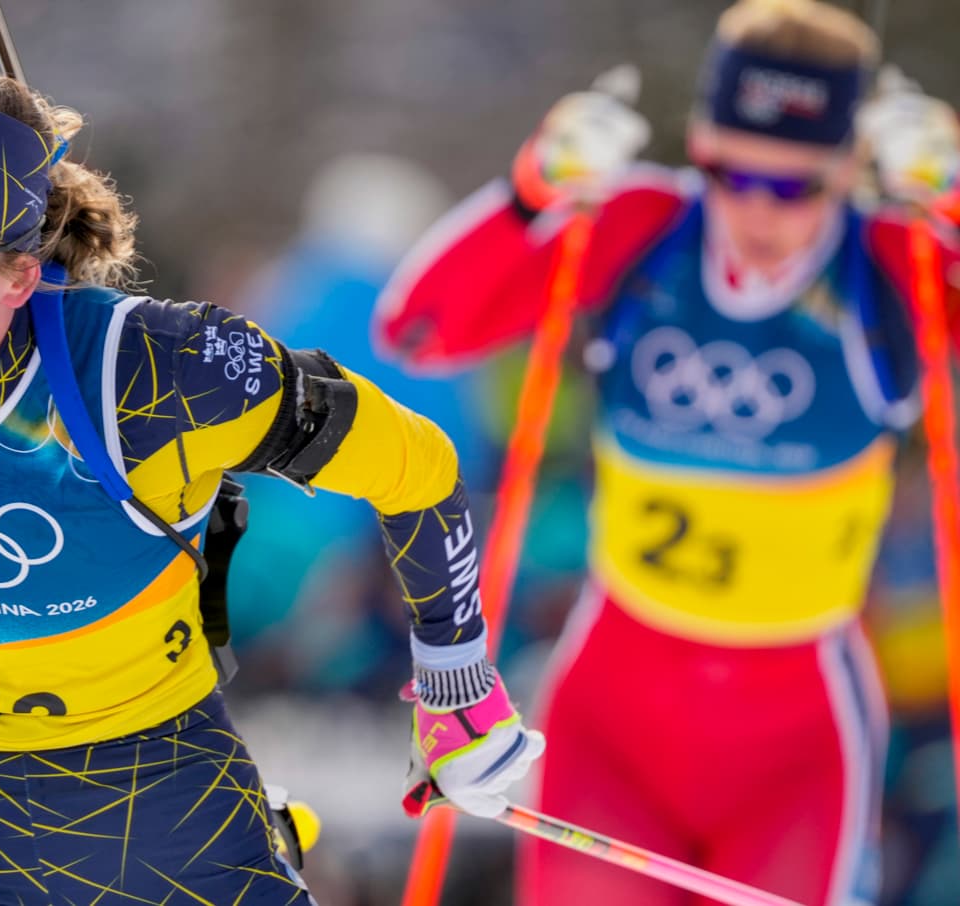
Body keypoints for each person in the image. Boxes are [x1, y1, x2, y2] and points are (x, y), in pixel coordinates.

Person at [0, 58, 544, 904]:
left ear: (21, 274)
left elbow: (417, 463)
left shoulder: (156, 374)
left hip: (161, 819)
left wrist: (456, 687)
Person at [375, 1, 960, 904]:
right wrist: (535, 187)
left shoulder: (891, 261)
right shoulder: (643, 226)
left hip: (798, 742)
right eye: (732, 174)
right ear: (700, 143)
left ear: (850, 168)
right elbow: (417, 329)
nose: (757, 209)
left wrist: (953, 196)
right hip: (614, 717)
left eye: (795, 186)